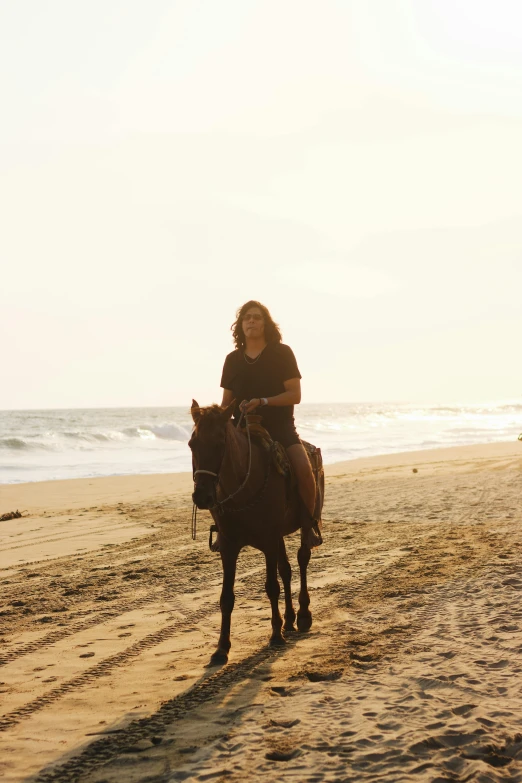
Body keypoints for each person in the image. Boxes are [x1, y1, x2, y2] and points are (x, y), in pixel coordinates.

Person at [218, 300, 322, 548]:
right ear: (240, 326)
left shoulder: (282, 353)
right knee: (213, 470)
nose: (251, 321)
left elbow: (294, 395)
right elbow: (226, 402)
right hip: (241, 428)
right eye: (246, 318)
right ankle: (222, 529)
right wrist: (212, 419)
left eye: (256, 317)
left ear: (266, 324)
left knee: (304, 470)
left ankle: (309, 525)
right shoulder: (232, 360)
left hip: (280, 428)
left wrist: (262, 401)